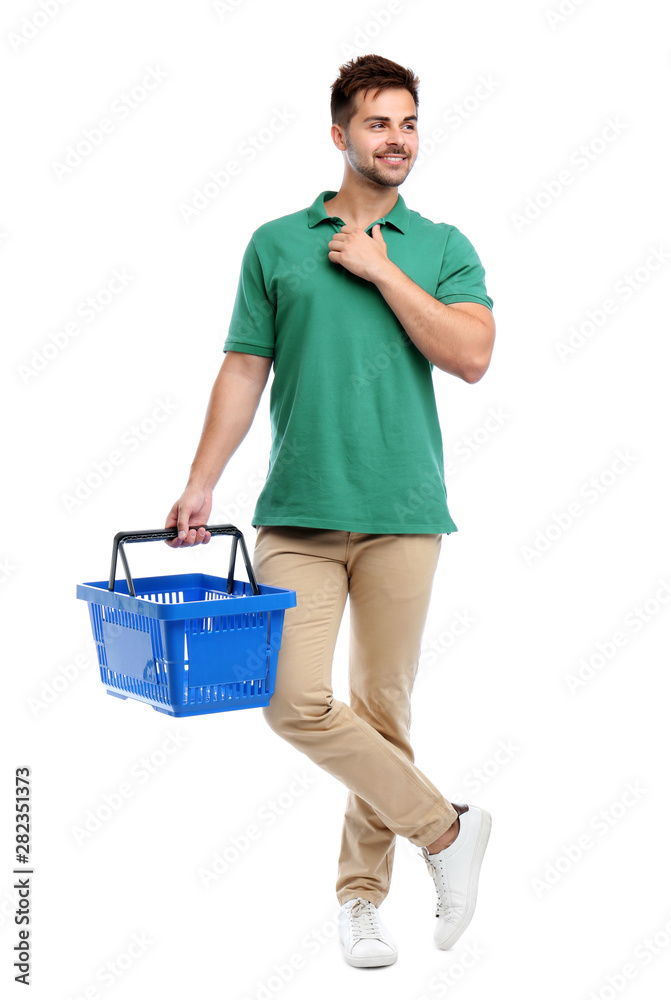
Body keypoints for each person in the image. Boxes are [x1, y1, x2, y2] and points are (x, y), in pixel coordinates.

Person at [165, 53, 496, 969]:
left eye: (409, 123)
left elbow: (470, 355)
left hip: (402, 511)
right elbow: (243, 366)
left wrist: (383, 272)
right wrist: (200, 482)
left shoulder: (439, 244)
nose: (397, 140)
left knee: (381, 713)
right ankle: (447, 830)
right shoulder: (277, 243)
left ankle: (360, 902)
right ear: (340, 133)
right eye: (379, 123)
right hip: (297, 517)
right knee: (292, 701)